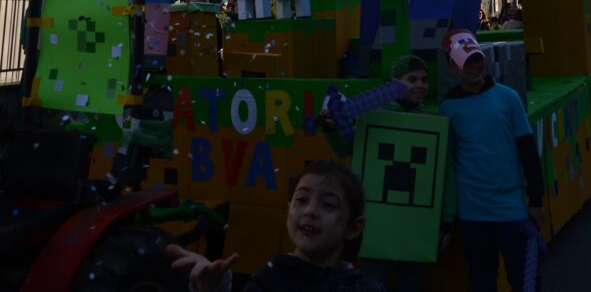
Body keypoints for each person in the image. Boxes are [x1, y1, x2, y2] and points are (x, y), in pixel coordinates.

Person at [167, 159, 381, 291]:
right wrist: (211, 289)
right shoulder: (269, 282)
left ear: (354, 227)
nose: (310, 211)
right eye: (301, 200)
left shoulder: (365, 287)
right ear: (288, 210)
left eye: (328, 204)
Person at [439, 29, 544, 292]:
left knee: (525, 279)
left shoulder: (508, 97)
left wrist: (537, 200)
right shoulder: (448, 108)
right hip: (472, 210)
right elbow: (447, 165)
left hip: (511, 207)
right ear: (453, 67)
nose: (474, 66)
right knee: (482, 280)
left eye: (477, 59)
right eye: (467, 62)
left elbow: (527, 149)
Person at [360, 55, 454, 291]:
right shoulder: (374, 116)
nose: (420, 85)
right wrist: (331, 126)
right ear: (394, 83)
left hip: (416, 224)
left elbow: (446, 174)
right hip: (378, 222)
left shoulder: (434, 123)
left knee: (410, 283)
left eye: (424, 80)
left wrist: (447, 221)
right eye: (412, 79)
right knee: (372, 282)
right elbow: (343, 145)